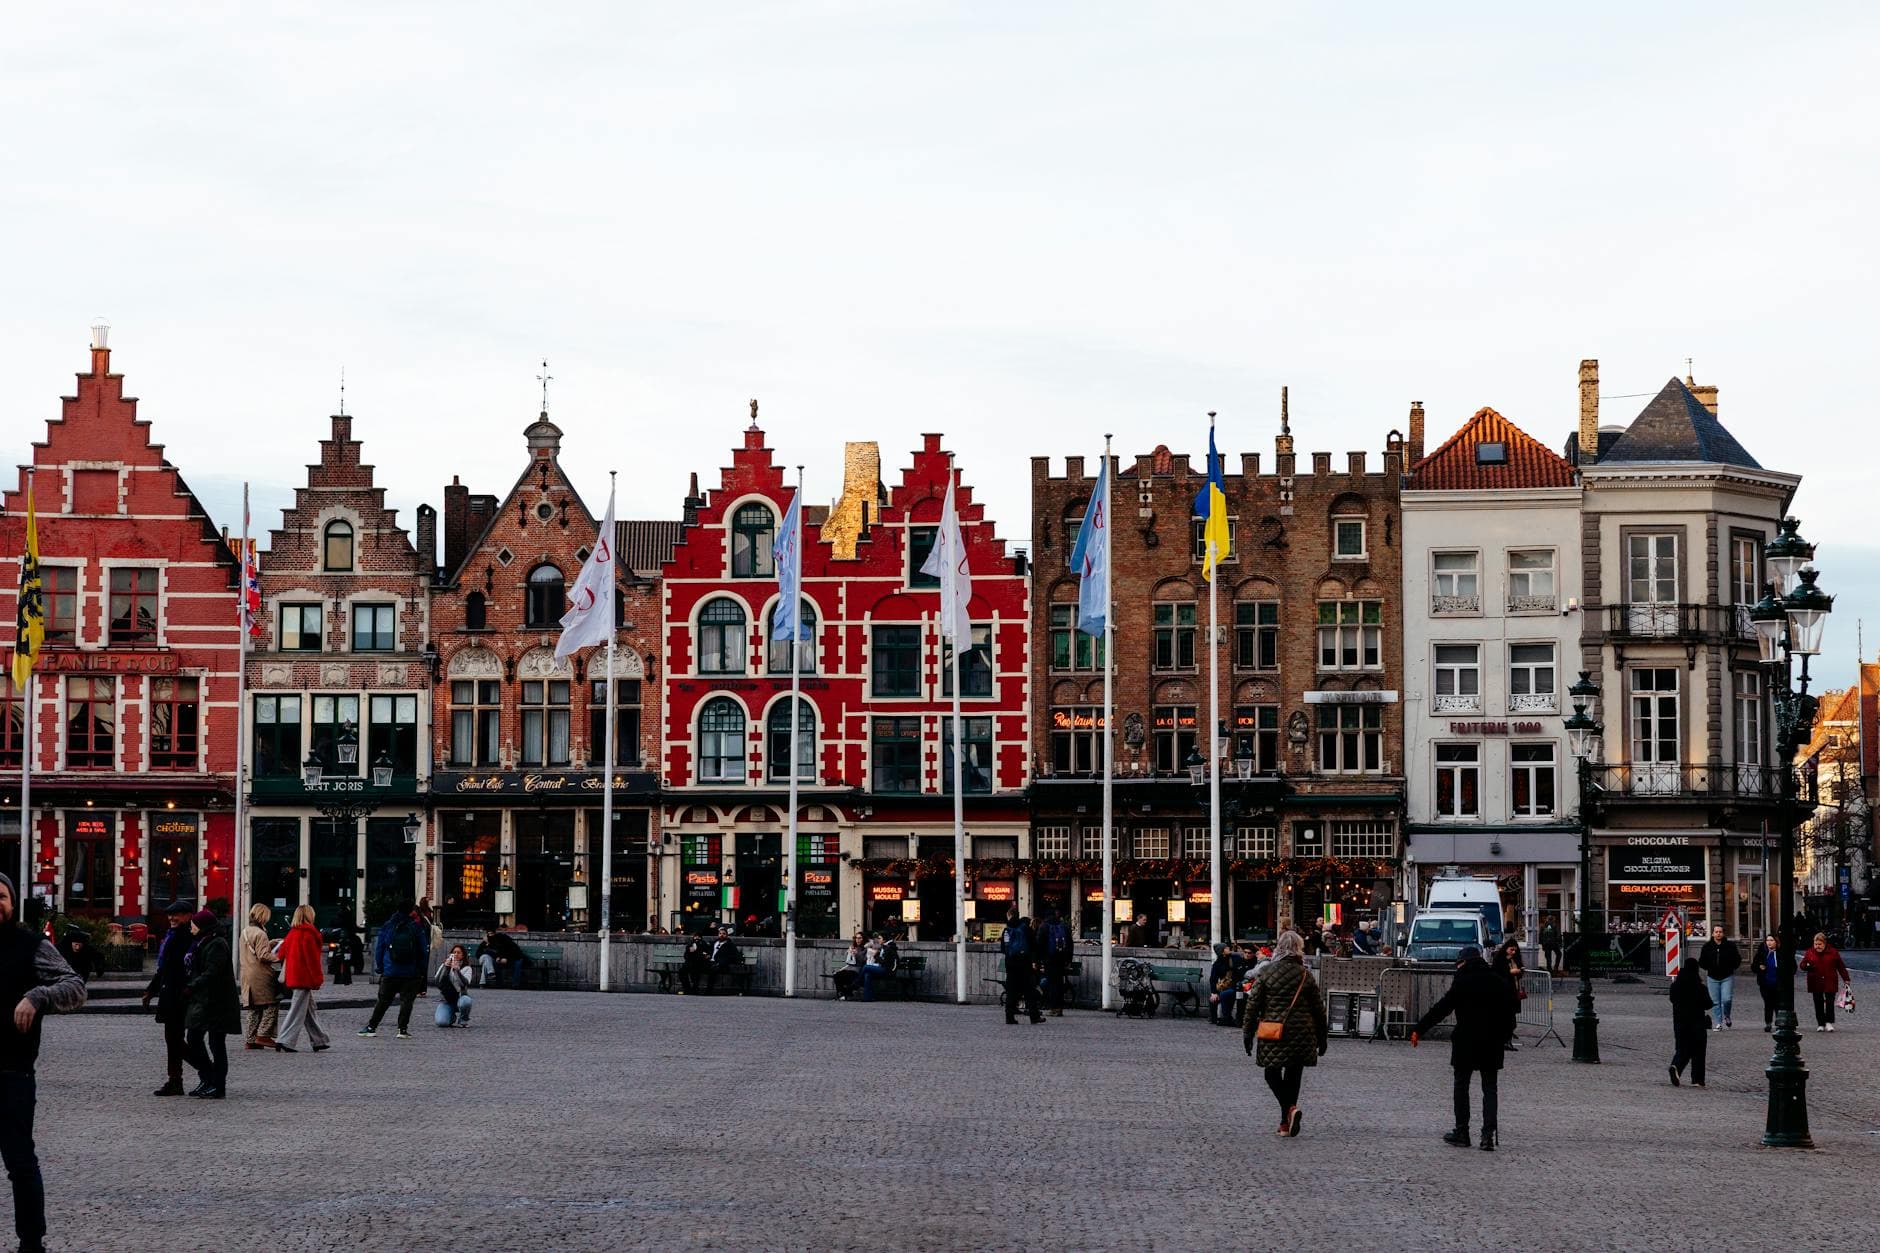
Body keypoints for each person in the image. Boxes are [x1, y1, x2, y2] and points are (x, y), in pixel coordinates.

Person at [1, 871, 86, 1253]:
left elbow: (75, 985)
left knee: (20, 1163)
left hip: (11, 1073)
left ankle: (31, 1242)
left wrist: (38, 997)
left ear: (12, 902)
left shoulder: (32, 946)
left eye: (1, 896)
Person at [1411, 945, 1518, 1152]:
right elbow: (1509, 1013)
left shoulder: (1462, 981)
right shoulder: (1497, 980)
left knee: (1461, 1086)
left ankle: (1462, 1132)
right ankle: (1487, 1135)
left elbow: (1441, 1008)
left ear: (1464, 962)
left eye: (1459, 964)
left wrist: (1419, 1029)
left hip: (1466, 1041)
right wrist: (1503, 1036)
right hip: (1492, 1042)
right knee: (1490, 1088)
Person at [1240, 930, 1328, 1137]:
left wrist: (1247, 1033)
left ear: (1279, 948)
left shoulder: (1266, 972)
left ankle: (1287, 1112)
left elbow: (1252, 1005)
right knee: (1293, 1075)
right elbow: (1318, 1009)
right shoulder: (1305, 974)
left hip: (1273, 1031)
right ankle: (1286, 1120)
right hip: (1302, 1032)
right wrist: (1322, 1037)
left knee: (1271, 1074)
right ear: (1298, 949)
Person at [183, 908, 239, 1099]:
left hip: (217, 1001)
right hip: (205, 1000)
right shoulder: (202, 942)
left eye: (194, 925)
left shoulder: (216, 944)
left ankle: (218, 1085)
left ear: (202, 927)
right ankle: (208, 1078)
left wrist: (192, 986)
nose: (191, 928)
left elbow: (212, 971)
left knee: (216, 1043)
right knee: (194, 1038)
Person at [141, 899, 195, 1095]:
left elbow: (175, 969)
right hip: (169, 992)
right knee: (172, 1039)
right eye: (170, 914)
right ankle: (175, 1080)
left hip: (179, 994)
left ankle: (206, 1069)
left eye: (177, 914)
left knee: (175, 1039)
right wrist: (151, 989)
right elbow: (163, 969)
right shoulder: (172, 936)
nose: (172, 918)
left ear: (188, 916)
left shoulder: (187, 937)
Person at [359, 901, 431, 1040]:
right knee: (407, 1001)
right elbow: (423, 950)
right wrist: (421, 969)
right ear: (411, 912)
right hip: (411, 972)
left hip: (390, 970)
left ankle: (371, 1027)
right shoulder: (416, 927)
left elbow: (379, 949)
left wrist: (381, 967)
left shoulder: (388, 926)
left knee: (383, 1001)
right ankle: (402, 1029)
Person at [273, 905, 330, 1053]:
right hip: (304, 978)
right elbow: (312, 960)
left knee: (309, 1010)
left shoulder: (292, 933)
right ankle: (284, 1040)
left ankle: (319, 1040)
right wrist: (317, 979)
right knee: (297, 1010)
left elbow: (280, 955)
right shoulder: (309, 934)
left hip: (293, 976)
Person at [238, 904, 281, 1051]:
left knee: (253, 1008)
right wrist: (279, 957)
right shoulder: (261, 933)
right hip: (261, 975)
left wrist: (270, 943)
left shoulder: (245, 931)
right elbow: (263, 956)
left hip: (247, 974)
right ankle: (263, 1035)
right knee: (271, 1004)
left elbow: (254, 950)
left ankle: (250, 1040)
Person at [1667, 959, 1713, 1087]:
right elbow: (1708, 1004)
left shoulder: (1675, 986)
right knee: (1699, 1051)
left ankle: (1676, 1066)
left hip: (1679, 1022)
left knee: (1682, 1048)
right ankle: (1698, 1079)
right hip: (1697, 1022)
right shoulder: (1700, 987)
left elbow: (1672, 999)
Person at [1798, 932, 1850, 1032]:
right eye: (1816, 944)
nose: (1817, 946)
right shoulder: (1809, 952)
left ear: (1824, 943)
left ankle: (1829, 1022)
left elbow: (1840, 966)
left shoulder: (1833, 952)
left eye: (1820, 944)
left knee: (1830, 1002)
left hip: (1830, 980)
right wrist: (1807, 966)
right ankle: (1820, 1023)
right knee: (1818, 1002)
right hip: (1815, 981)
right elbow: (1802, 965)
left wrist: (1846, 979)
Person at [1696, 924, 1741, 1029]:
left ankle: (1727, 1015)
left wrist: (1732, 967)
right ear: (1712, 933)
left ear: (1723, 933)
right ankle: (1718, 1023)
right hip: (1712, 977)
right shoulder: (1707, 946)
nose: (1718, 934)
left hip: (1727, 976)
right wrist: (1708, 967)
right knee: (1715, 1001)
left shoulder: (1730, 946)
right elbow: (1702, 960)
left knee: (1727, 999)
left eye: (1720, 932)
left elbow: (1737, 959)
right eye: (1716, 932)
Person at [1001, 915, 1043, 1025]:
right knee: (1030, 991)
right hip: (1025, 965)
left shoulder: (1007, 930)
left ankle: (1009, 1017)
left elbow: (1003, 948)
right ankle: (1034, 1016)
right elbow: (1034, 947)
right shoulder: (1026, 929)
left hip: (1010, 965)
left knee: (1011, 992)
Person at [1490, 938, 1525, 1051]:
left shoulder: (1515, 959)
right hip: (1502, 992)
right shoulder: (1500, 959)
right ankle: (1502, 1041)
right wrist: (1510, 972)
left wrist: (1519, 971)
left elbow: (1519, 973)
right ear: (1506, 949)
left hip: (1513, 992)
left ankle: (1507, 1041)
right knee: (1504, 1019)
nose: (1513, 952)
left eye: (1515, 950)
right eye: (1511, 950)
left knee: (1511, 1020)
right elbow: (1497, 973)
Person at [1037, 910, 1073, 1016]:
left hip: (1049, 959)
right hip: (1061, 959)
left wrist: (1039, 960)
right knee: (1059, 983)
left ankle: (1053, 1008)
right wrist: (1068, 960)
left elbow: (1039, 944)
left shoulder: (1044, 927)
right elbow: (1070, 944)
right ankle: (1060, 1008)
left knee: (1052, 984)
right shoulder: (1064, 926)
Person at [434, 945, 474, 1028]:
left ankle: (463, 1020)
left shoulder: (467, 968)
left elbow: (464, 983)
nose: (456, 954)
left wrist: (457, 971)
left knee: (466, 1001)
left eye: (458, 953)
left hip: (460, 997)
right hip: (447, 999)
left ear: (463, 956)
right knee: (441, 1023)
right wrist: (446, 968)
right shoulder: (444, 965)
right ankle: (451, 1017)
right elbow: (437, 981)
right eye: (454, 952)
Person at [1750, 934, 1782, 1032]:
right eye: (1767, 940)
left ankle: (1779, 1023)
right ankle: (1768, 1023)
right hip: (1765, 983)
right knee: (1768, 1003)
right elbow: (1753, 967)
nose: (1769, 942)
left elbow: (1791, 967)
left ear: (1776, 942)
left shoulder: (1781, 953)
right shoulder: (1762, 953)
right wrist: (1759, 967)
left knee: (1778, 1004)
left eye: (1771, 940)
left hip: (1778, 983)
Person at [862, 932, 899, 1002]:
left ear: (884, 940)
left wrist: (876, 955)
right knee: (867, 974)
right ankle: (867, 998)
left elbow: (884, 962)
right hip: (884, 969)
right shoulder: (885, 947)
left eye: (879, 938)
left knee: (866, 967)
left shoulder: (889, 947)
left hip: (888, 971)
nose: (878, 940)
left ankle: (855, 985)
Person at [706, 927, 743, 994]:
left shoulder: (730, 945)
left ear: (727, 935)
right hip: (710, 962)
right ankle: (693, 989)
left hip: (722, 965)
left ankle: (708, 991)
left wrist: (721, 962)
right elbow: (707, 950)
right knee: (696, 967)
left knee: (713, 970)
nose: (721, 935)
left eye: (724, 934)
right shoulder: (714, 943)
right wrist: (707, 955)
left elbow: (734, 956)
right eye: (720, 933)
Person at [833, 933, 866, 1001]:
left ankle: (845, 993)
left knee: (845, 975)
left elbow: (863, 961)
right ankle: (843, 994)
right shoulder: (853, 947)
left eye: (860, 938)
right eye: (856, 938)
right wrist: (849, 952)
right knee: (836, 975)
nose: (858, 940)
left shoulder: (865, 949)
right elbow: (848, 961)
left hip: (858, 970)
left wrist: (857, 954)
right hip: (849, 968)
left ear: (863, 939)